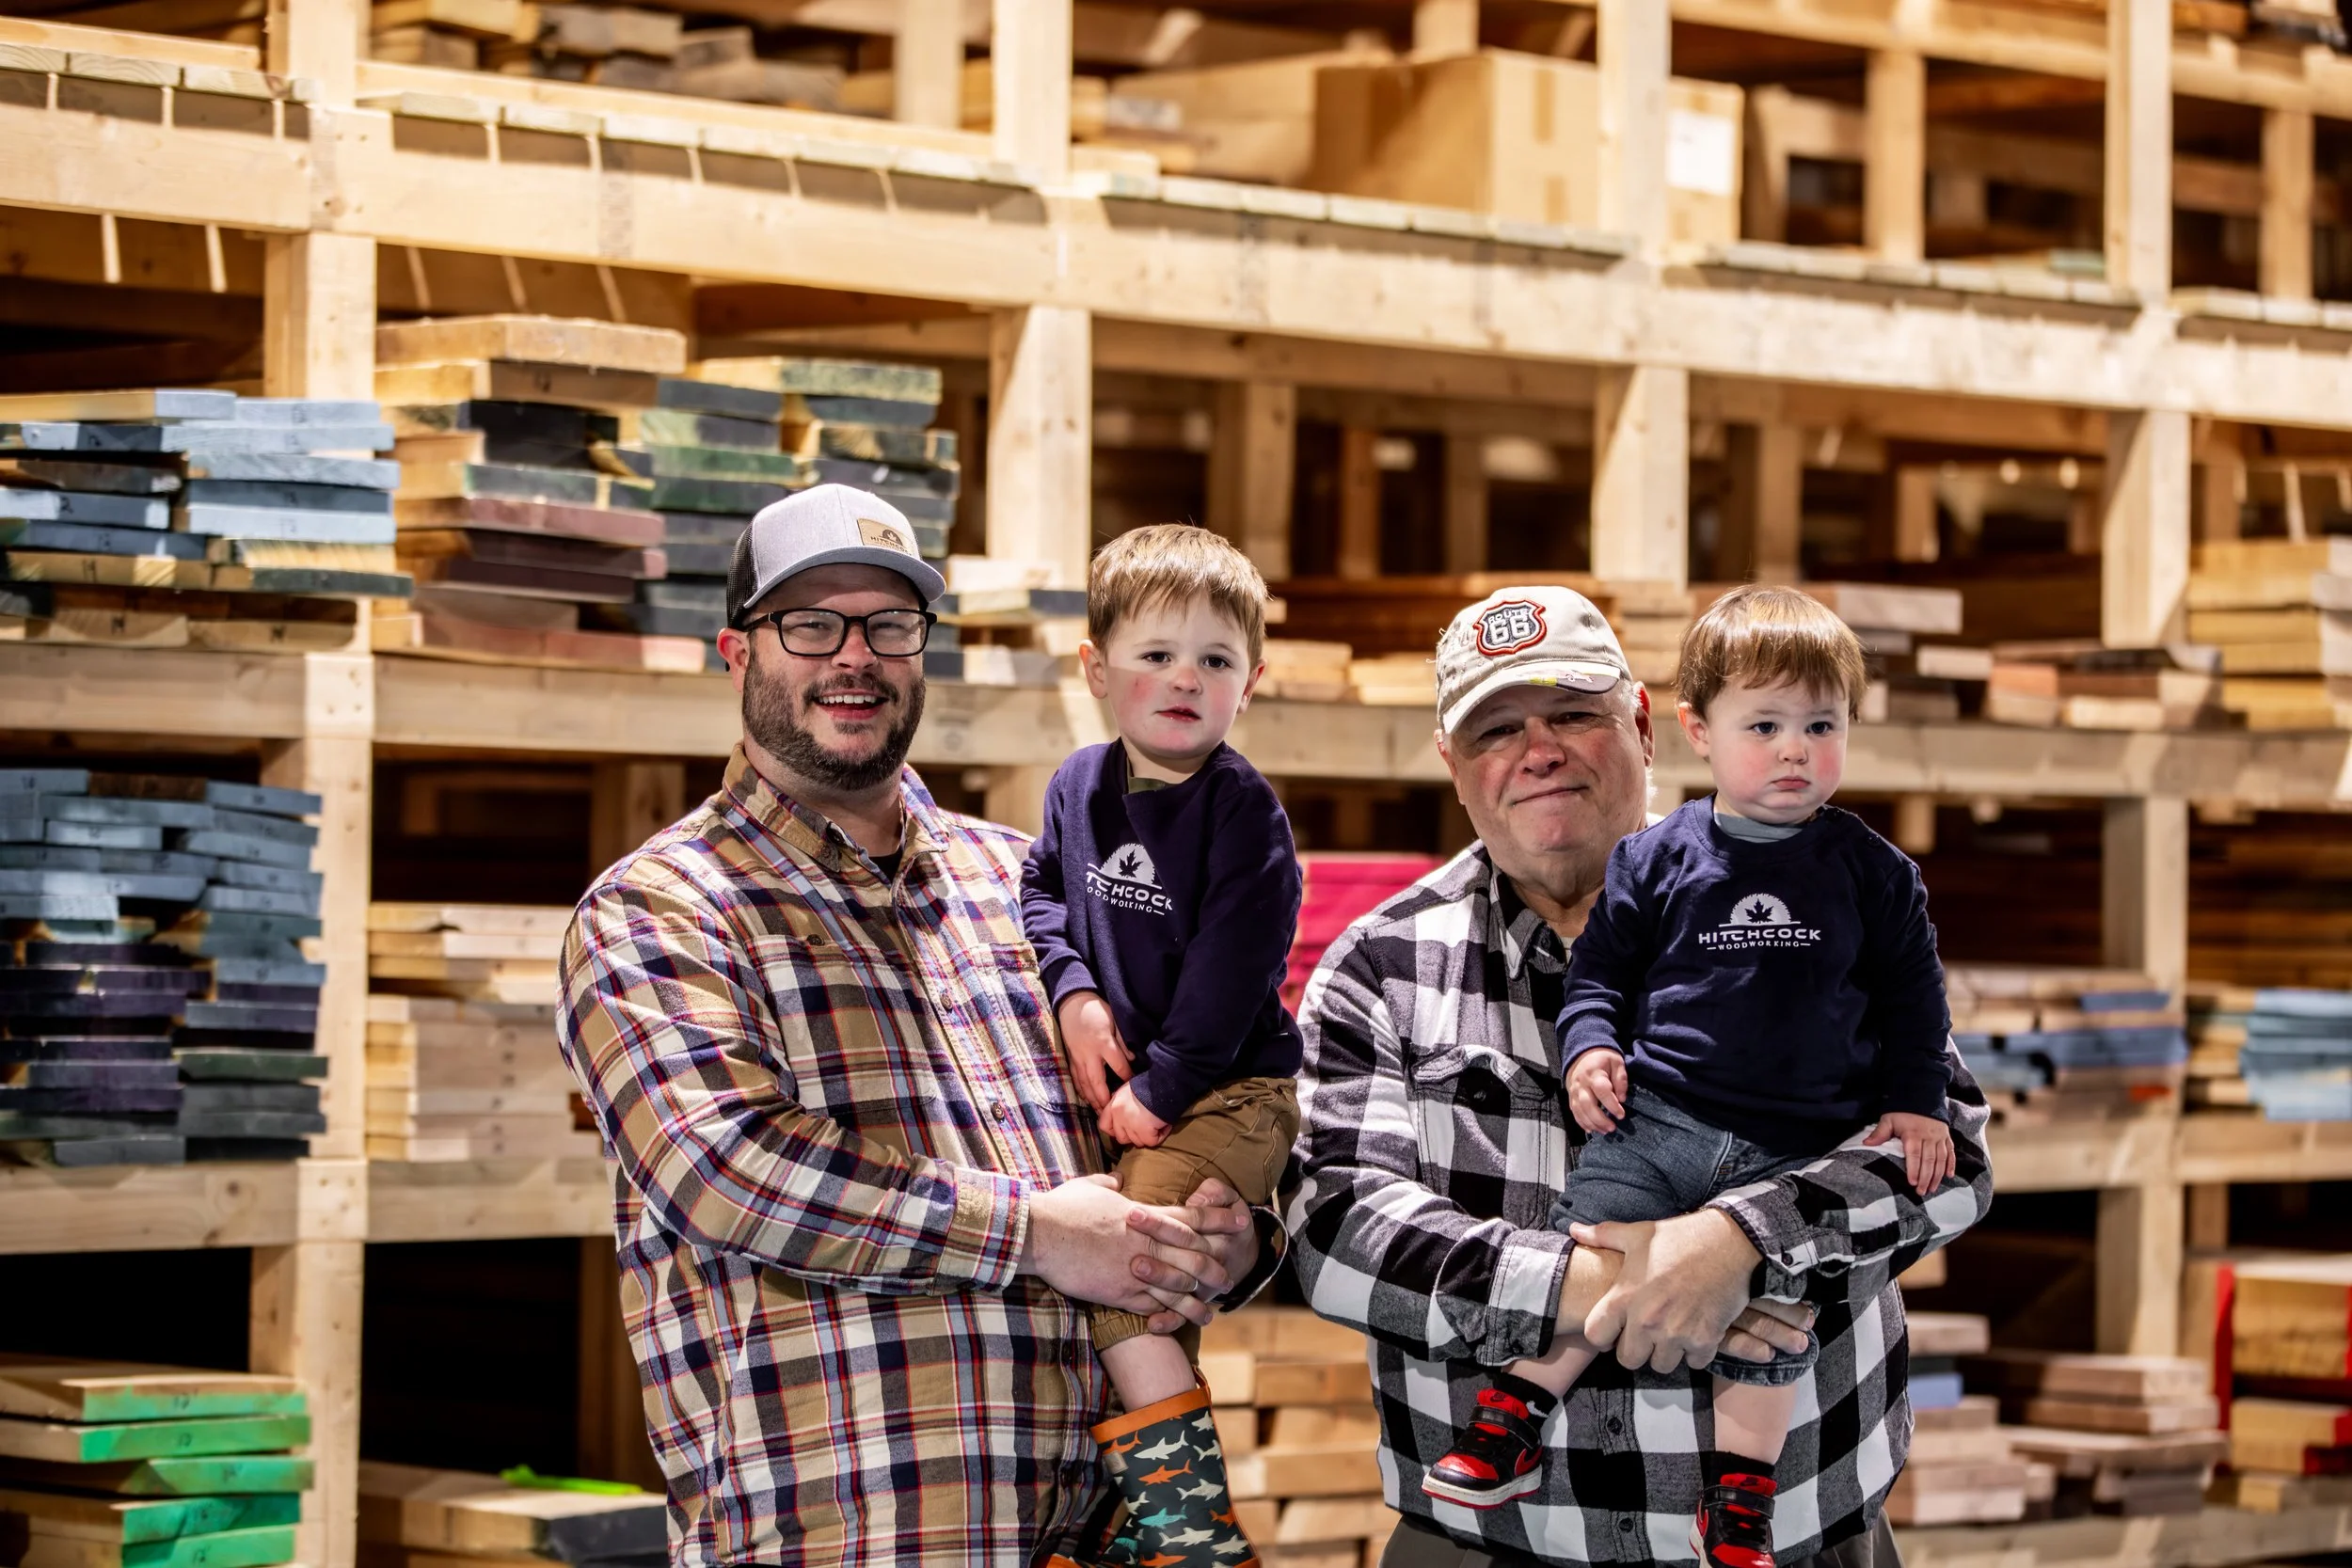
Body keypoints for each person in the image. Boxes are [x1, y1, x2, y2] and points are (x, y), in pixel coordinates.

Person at [557, 485, 1276, 1568]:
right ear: (736, 652)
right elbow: (726, 1168)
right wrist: (1033, 1232)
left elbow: (1162, 1105)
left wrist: (1221, 1233)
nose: (855, 656)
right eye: (811, 624)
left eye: (889, 625)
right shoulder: (660, 907)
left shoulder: (1026, 880)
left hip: (1094, 1538)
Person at [1284, 585, 1997, 1568]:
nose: (1539, 749)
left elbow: (1948, 1158)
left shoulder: (1818, 890)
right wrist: (1617, 1285)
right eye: (1495, 728)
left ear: (1649, 724)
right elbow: (1337, 1229)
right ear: (1451, 765)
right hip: (1488, 1546)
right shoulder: (1382, 966)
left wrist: (1741, 1240)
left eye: (1574, 713)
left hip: (1796, 1543)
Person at [1022, 524, 1304, 1568]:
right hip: (1139, 1074)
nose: (1185, 678)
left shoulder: (1245, 818)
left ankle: (1193, 1531)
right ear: (1096, 668)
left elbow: (1234, 975)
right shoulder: (1075, 784)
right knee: (1152, 1307)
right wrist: (1075, 992)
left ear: (1250, 683)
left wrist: (1164, 1083)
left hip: (1229, 1088)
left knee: (1129, 1280)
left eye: (1215, 661)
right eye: (1155, 654)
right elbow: (1041, 893)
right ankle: (1124, 1532)